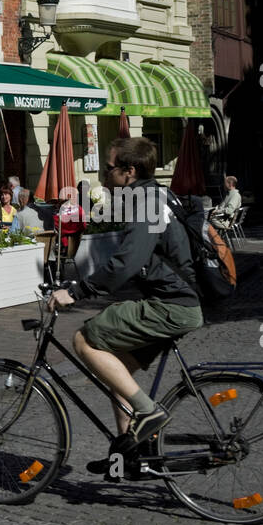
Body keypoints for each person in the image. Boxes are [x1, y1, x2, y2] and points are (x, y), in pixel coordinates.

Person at [50, 137, 203, 470]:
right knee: (116, 372)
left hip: (172, 305)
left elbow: (127, 263)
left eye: (109, 167)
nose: (104, 174)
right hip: (177, 301)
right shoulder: (155, 195)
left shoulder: (146, 201)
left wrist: (76, 292)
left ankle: (149, 413)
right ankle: (129, 457)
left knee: (84, 339)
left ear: (128, 171)